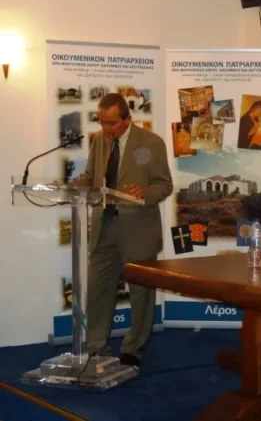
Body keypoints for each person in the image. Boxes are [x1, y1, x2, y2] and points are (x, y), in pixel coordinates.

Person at [72, 93, 173, 366]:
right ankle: (96, 347)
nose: (106, 129)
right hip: (104, 225)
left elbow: (164, 184)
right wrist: (70, 185)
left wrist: (146, 192)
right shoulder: (99, 141)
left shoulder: (151, 142)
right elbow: (91, 177)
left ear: (127, 118)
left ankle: (133, 348)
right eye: (102, 122)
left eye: (112, 123)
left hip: (137, 228)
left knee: (141, 294)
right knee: (98, 289)